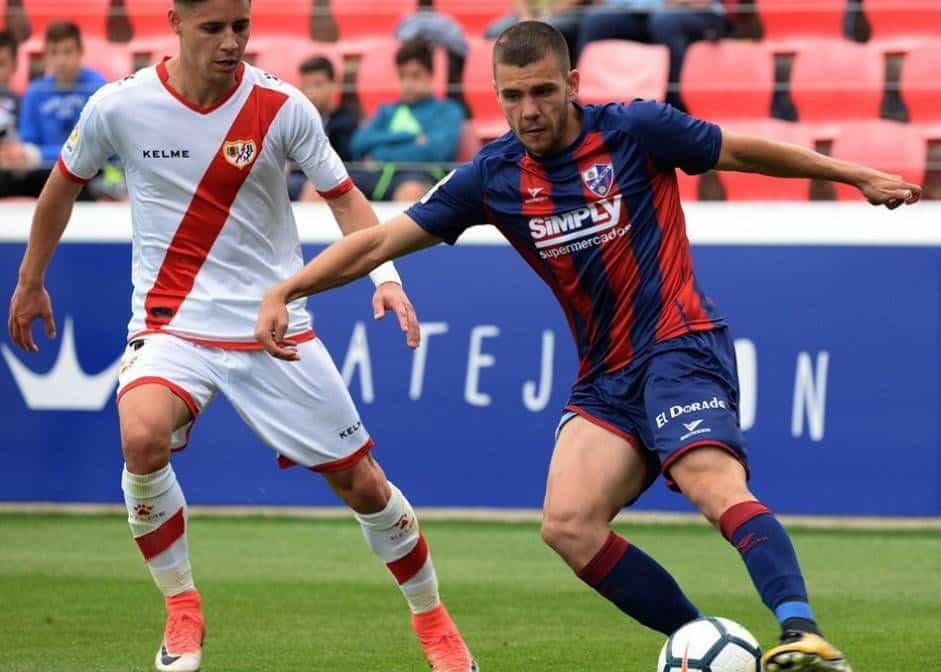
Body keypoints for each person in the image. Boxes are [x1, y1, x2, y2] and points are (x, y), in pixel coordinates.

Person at [256, 21, 923, 672]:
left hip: (677, 346)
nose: (529, 110)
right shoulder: (494, 176)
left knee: (708, 481)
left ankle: (803, 636)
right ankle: (701, 643)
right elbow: (376, 242)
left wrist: (854, 175)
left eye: (542, 91)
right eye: (512, 96)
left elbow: (741, 151)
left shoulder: (633, 130)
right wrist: (289, 289)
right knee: (567, 524)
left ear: (572, 83)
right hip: (604, 376)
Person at [6, 2, 477, 672]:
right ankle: (181, 609)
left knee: (365, 486)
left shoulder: (282, 107)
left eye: (241, 27)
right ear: (174, 21)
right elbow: (59, 188)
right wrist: (30, 281)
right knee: (140, 436)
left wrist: (387, 280)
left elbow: (344, 197)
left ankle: (434, 622)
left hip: (271, 326)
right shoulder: (119, 106)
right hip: (172, 324)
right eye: (213, 28)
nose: (230, 43)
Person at [349, 39, 464, 202]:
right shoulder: (387, 110)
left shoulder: (448, 110)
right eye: (403, 76)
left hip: (420, 176)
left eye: (415, 75)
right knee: (324, 188)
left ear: (430, 76)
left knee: (411, 191)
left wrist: (379, 155)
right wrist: (408, 137)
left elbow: (435, 152)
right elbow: (358, 143)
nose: (408, 83)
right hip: (377, 176)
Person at [15, 21, 107, 172]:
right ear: (45, 55)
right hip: (43, 172)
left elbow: (94, 148)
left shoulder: (97, 88)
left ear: (80, 52)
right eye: (54, 52)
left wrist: (40, 155)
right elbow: (28, 146)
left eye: (67, 51)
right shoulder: (35, 91)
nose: (61, 60)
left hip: (88, 172)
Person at [289, 55, 357, 201]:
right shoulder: (295, 119)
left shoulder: (345, 122)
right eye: (306, 86)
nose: (310, 92)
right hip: (294, 179)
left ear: (334, 85)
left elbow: (339, 163)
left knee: (315, 188)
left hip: (325, 182)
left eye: (318, 84)